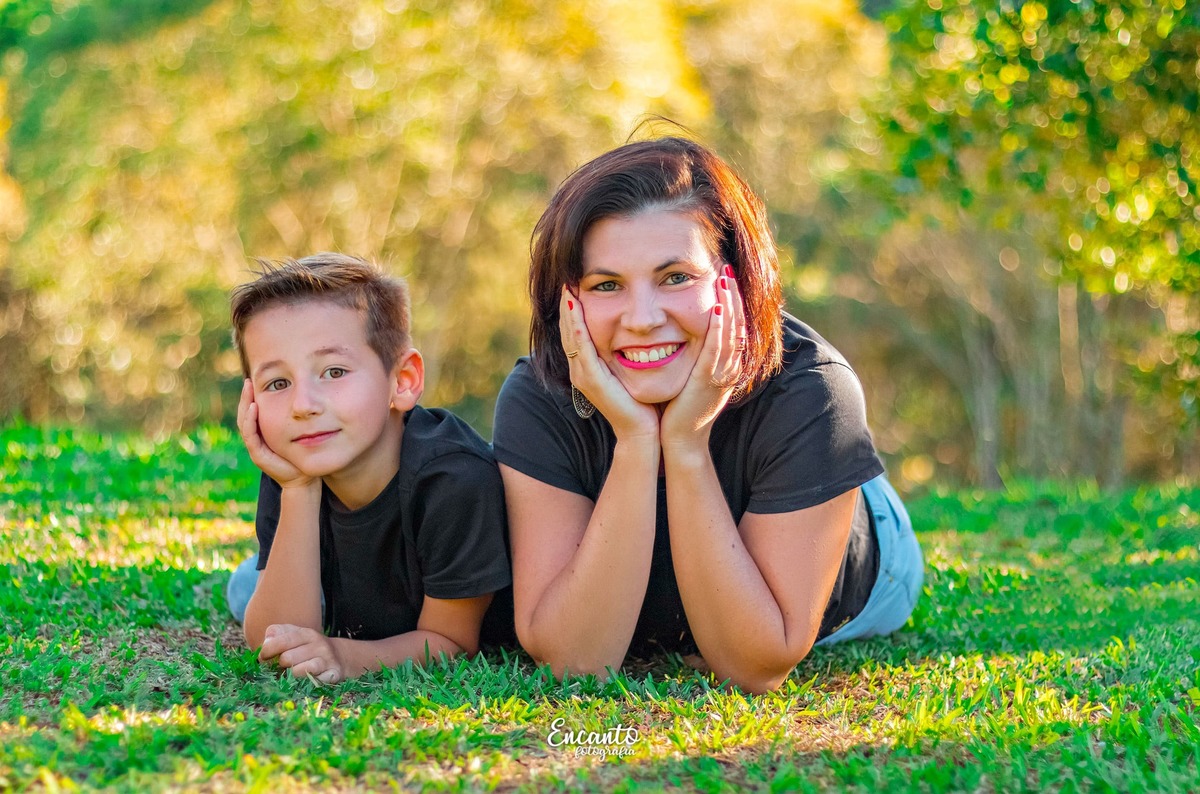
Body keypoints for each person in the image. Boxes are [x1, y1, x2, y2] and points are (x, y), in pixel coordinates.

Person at [492, 137, 923, 694]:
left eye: (676, 277)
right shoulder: (537, 395)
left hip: (867, 556)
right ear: (567, 303)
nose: (643, 319)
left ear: (736, 280)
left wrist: (688, 444)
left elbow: (754, 665)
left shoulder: (814, 391)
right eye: (607, 285)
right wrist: (636, 445)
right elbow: (574, 661)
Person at [225, 253, 511, 683]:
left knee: (247, 588)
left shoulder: (454, 480)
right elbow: (275, 641)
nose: (303, 406)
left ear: (403, 381)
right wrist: (299, 489)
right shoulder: (295, 461)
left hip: (440, 610)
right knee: (245, 588)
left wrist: (341, 655)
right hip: (356, 598)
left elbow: (450, 643)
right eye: (277, 384)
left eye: (333, 371)